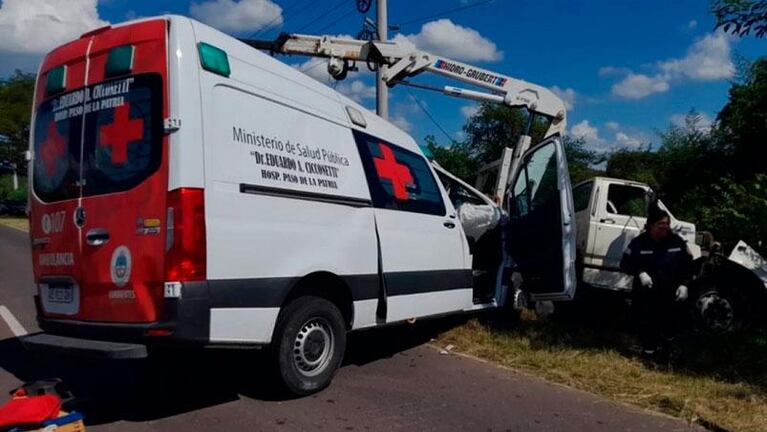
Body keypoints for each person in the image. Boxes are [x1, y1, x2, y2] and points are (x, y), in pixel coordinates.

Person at [620, 202, 693, 358]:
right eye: (661, 224)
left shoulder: (677, 242)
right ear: (651, 225)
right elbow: (625, 264)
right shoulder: (639, 243)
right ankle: (648, 354)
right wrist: (640, 272)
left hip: (670, 293)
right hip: (647, 295)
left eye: (667, 224)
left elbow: (688, 265)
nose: (665, 227)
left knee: (670, 325)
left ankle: (666, 353)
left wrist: (684, 284)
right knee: (647, 325)